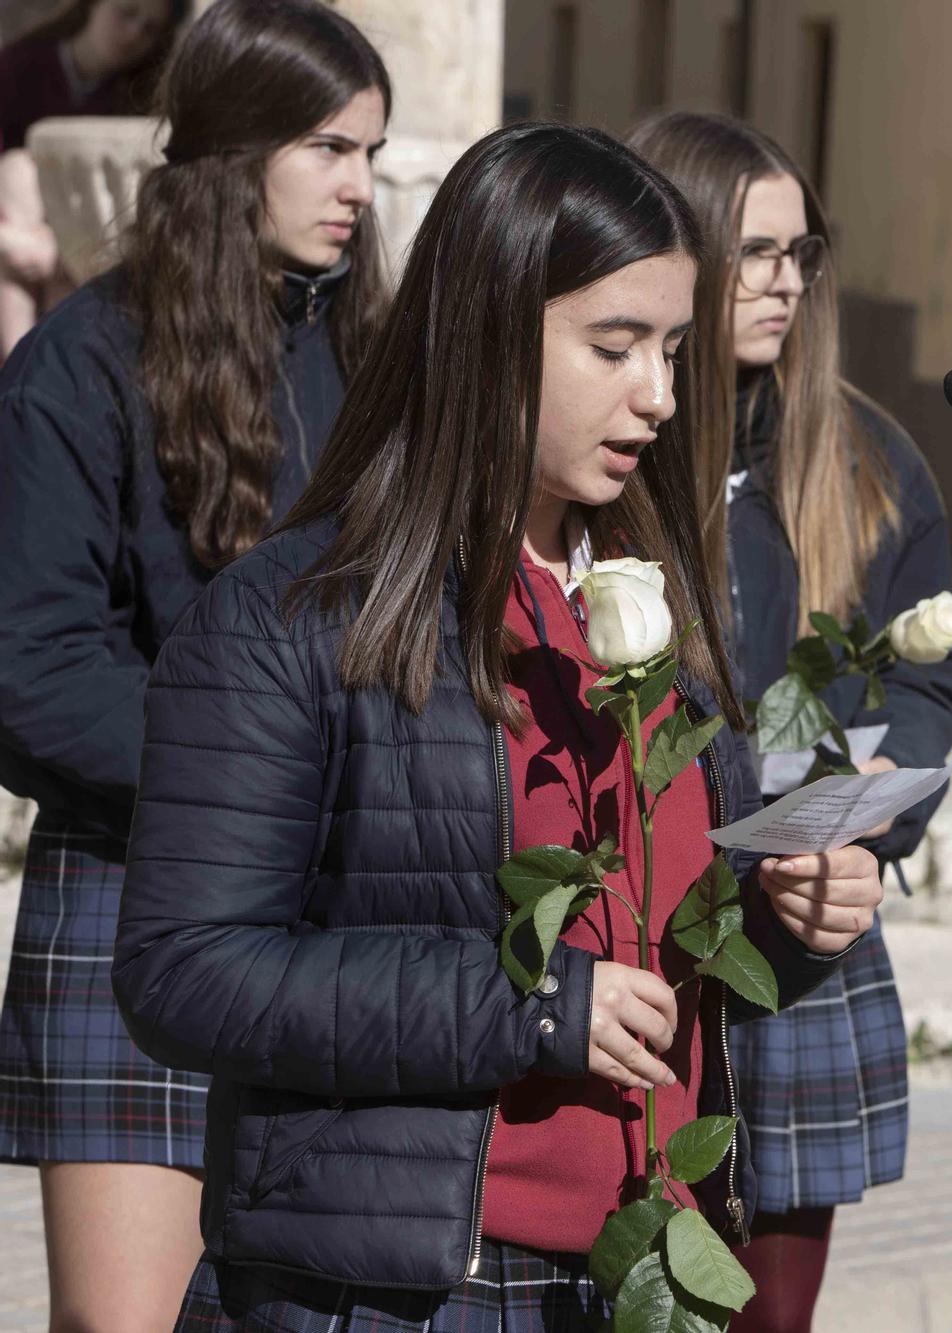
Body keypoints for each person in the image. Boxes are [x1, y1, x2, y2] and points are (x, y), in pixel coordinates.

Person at [111, 119, 884, 1329]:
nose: (661, 396)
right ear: (483, 334)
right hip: (396, 1291)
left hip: (644, 1277)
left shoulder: (653, 606)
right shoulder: (295, 619)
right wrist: (528, 1007)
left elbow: (666, 953)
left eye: (674, 351)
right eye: (613, 346)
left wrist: (788, 920)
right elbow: (186, 971)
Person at [0, 0, 389, 1324]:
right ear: (236, 144)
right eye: (330, 148)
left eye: (370, 156)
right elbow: (34, 672)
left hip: (327, 901)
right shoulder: (79, 361)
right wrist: (251, 765)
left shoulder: (371, 356)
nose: (356, 187)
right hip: (129, 885)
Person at [628, 109, 952, 1331]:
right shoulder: (611, 451)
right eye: (753, 250)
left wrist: (860, 841)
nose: (782, 279)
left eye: (798, 252)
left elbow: (923, 687)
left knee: (769, 1318)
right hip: (633, 931)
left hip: (797, 938)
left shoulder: (867, 459)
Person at [0, 0, 190, 358]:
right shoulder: (20, 67)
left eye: (149, 29)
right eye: (126, 13)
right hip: (20, 231)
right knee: (17, 169)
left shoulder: (142, 91)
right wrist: (10, 238)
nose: (134, 33)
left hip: (80, 240)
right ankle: (17, 359)